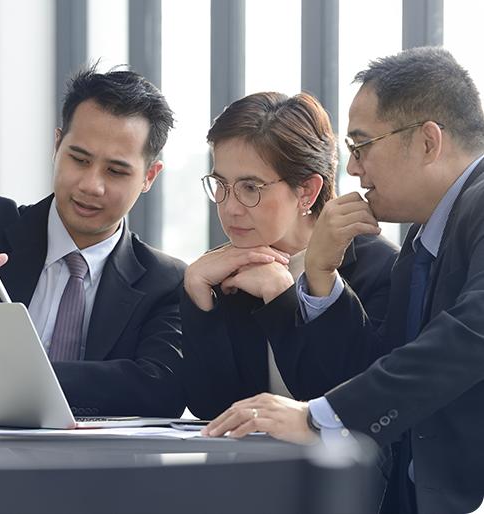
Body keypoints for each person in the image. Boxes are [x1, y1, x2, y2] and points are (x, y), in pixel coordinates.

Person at [202, 46, 484, 514]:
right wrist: (320, 273)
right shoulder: (419, 243)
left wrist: (320, 417)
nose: (352, 169)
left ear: (428, 142)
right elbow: (379, 364)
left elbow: (471, 335)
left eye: (362, 146)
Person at [0, 65, 187, 463]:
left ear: (149, 176)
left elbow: (160, 388)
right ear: (58, 145)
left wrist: (4, 388)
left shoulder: (165, 281)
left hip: (79, 492)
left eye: (116, 171)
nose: (91, 185)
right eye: (79, 159)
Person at [181, 92, 398, 420]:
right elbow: (211, 408)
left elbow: (340, 408)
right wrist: (197, 292)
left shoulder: (382, 269)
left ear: (307, 191)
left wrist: (281, 297)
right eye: (221, 184)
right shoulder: (223, 268)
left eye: (250, 188)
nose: (229, 208)